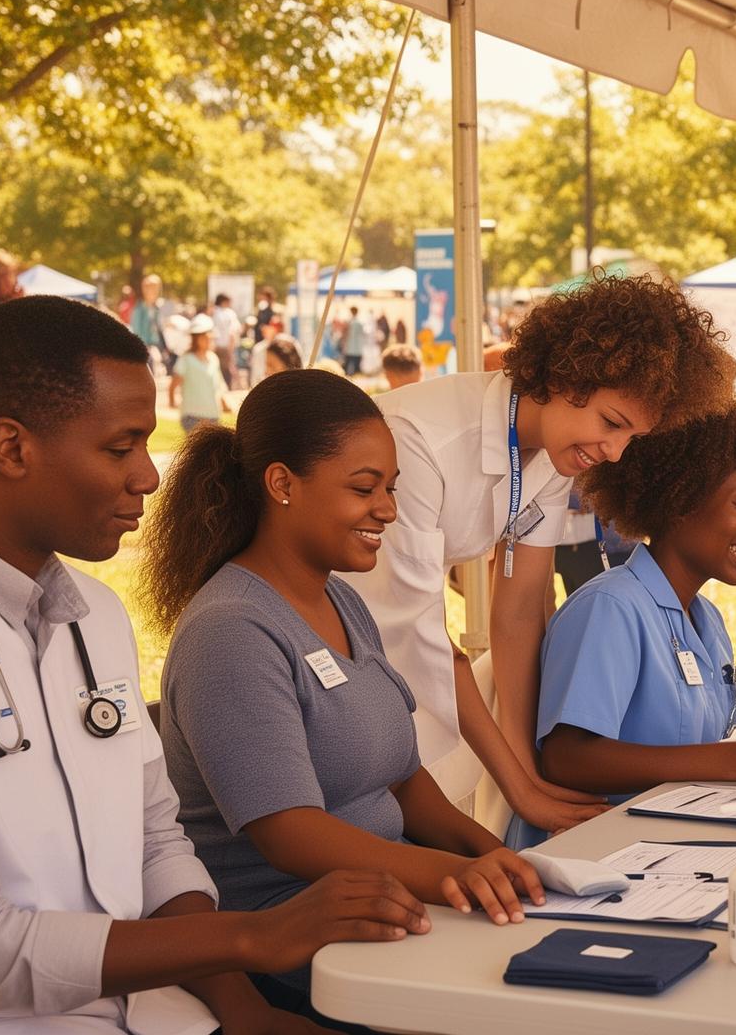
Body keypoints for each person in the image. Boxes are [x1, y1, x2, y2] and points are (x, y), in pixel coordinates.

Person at [0, 296, 432, 1034]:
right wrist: (252, 937)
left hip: (159, 1014)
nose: (149, 476)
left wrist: (243, 1010)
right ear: (11, 449)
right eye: (120, 448)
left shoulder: (96, 619)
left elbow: (157, 842)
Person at [141, 369, 546, 1022]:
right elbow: (291, 835)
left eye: (391, 488)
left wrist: (495, 857)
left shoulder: (343, 602)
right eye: (364, 489)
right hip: (295, 940)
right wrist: (449, 875)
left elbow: (405, 779)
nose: (387, 510)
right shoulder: (231, 631)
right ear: (282, 484)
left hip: (387, 906)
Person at [347, 273, 736, 841]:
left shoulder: (553, 451)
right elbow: (421, 636)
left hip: (389, 651)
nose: (614, 452)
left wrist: (527, 765)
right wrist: (519, 785)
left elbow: (521, 608)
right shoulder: (418, 441)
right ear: (565, 375)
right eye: (611, 423)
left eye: (632, 437)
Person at [533, 406, 736, 826]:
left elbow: (713, 746)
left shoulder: (707, 621)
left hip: (680, 832)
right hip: (603, 843)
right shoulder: (610, 608)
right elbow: (566, 758)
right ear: (680, 502)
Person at [169, 313, 229, 435]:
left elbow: (218, 386)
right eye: (205, 337)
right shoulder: (186, 359)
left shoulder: (213, 359)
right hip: (192, 416)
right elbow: (174, 383)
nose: (209, 340)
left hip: (212, 415)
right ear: (196, 338)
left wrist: (225, 404)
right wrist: (172, 401)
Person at [130, 273, 170, 373]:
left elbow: (158, 330)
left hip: (156, 347)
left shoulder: (156, 308)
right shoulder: (139, 309)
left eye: (157, 288)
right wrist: (146, 348)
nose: (156, 292)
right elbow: (137, 332)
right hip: (145, 350)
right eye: (153, 288)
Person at [210, 292, 241, 387]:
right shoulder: (229, 313)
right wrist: (231, 347)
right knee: (226, 370)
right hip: (225, 346)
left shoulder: (213, 312)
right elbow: (233, 332)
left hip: (215, 345)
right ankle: (227, 388)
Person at [341, 305, 368, 377]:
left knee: (348, 363)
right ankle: (355, 375)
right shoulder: (359, 322)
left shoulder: (349, 322)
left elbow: (345, 334)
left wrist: (344, 342)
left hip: (350, 346)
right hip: (356, 347)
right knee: (355, 364)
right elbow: (363, 334)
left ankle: (348, 376)